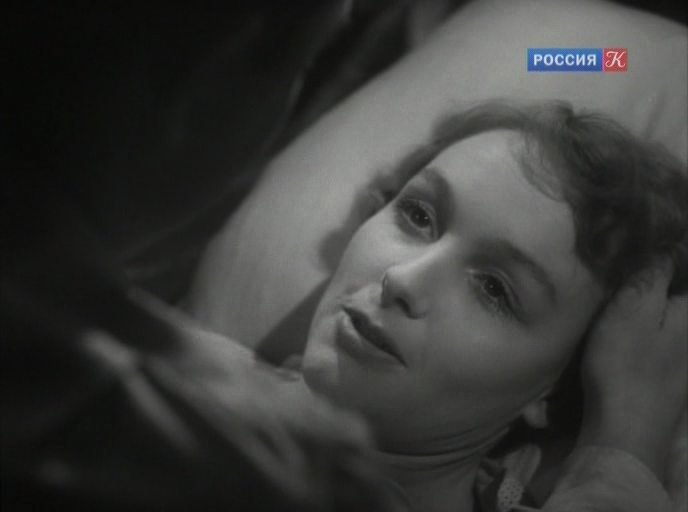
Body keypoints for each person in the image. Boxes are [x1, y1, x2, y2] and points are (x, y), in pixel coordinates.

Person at [295, 100, 688, 511]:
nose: (403, 279)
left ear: (553, 394)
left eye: (493, 289)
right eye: (418, 215)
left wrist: (623, 444)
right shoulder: (243, 385)